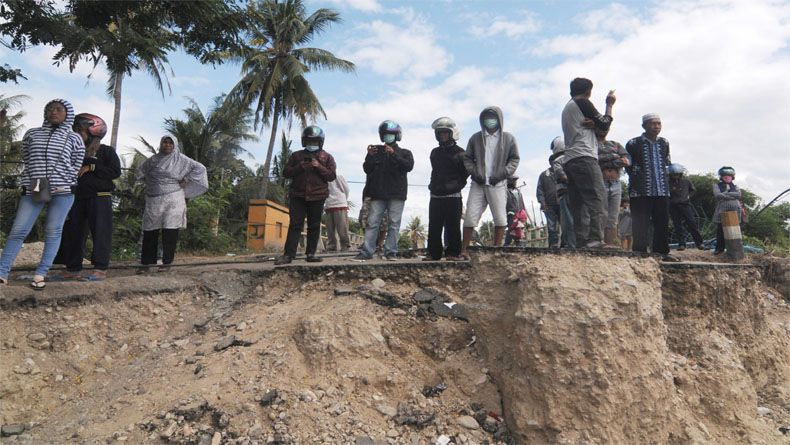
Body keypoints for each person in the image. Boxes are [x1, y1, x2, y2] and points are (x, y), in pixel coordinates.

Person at [0, 99, 85, 289]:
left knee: (53, 231)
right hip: (35, 188)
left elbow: (76, 164)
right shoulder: (32, 134)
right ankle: (2, 272)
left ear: (67, 114)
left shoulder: (74, 138)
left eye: (58, 109)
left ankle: (41, 274)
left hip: (63, 191)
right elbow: (27, 159)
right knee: (19, 230)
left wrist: (62, 180)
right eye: (49, 109)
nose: (53, 112)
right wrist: (30, 181)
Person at [54, 113, 121, 281]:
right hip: (76, 196)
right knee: (73, 232)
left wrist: (92, 166)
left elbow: (114, 172)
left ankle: (100, 268)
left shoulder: (106, 151)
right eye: (75, 130)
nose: (77, 134)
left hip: (100, 196)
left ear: (93, 132)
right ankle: (73, 268)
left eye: (80, 131)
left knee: (100, 232)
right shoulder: (74, 151)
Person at [136, 135, 208, 273]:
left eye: (170, 143)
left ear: (174, 145)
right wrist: (150, 182)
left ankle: (166, 262)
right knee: (150, 231)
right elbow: (140, 172)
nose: (167, 145)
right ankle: (146, 264)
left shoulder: (181, 160)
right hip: (153, 199)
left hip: (173, 198)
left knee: (170, 229)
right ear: (160, 144)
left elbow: (200, 169)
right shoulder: (152, 161)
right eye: (164, 142)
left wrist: (186, 179)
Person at [560, 77, 615, 248]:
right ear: (588, 91)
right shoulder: (582, 102)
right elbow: (605, 124)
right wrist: (609, 105)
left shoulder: (568, 108)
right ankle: (595, 240)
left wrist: (594, 126)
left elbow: (598, 131)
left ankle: (582, 241)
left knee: (579, 205)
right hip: (585, 157)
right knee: (597, 199)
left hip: (570, 159)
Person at [461, 106, 519, 256]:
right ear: (482, 119)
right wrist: (474, 172)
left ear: (499, 119)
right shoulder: (475, 138)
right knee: (470, 218)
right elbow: (467, 158)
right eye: (486, 117)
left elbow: (514, 159)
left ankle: (496, 250)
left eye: (492, 117)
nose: (489, 120)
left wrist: (502, 174)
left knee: (500, 218)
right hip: (478, 183)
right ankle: (465, 250)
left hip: (497, 183)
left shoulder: (508, 138)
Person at [275, 126, 337, 264]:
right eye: (310, 141)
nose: (312, 144)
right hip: (298, 195)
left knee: (314, 225)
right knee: (295, 224)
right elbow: (286, 172)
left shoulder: (327, 157)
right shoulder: (296, 156)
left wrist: (318, 166)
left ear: (320, 142)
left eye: (315, 142)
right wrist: (300, 167)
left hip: (318, 196)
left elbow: (332, 176)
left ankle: (311, 254)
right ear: (304, 141)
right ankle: (288, 255)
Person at [354, 120, 414, 261]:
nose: (388, 137)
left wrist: (393, 154)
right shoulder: (376, 151)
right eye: (386, 134)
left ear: (397, 135)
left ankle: (390, 252)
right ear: (381, 136)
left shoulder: (405, 152)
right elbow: (367, 169)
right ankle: (367, 251)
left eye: (391, 134)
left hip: (396, 194)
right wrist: (369, 155)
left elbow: (408, 166)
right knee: (372, 223)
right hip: (377, 194)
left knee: (394, 224)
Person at [625, 114, 672, 257]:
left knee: (662, 223)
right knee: (640, 223)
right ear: (644, 126)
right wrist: (639, 177)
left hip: (662, 190)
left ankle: (661, 252)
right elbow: (628, 165)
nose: (657, 126)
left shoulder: (664, 143)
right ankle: (640, 253)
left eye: (659, 123)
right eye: (653, 123)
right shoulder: (633, 143)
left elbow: (667, 163)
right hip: (640, 191)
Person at [425, 117, 469, 261]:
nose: (443, 136)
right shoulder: (434, 152)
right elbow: (435, 171)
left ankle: (453, 253)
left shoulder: (461, 153)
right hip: (436, 195)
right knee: (434, 226)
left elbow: (465, 174)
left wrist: (455, 186)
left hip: (454, 196)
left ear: (451, 134)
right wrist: (433, 187)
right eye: (440, 133)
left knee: (453, 227)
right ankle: (433, 253)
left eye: (445, 133)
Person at [596, 127, 630, 245]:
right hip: (601, 182)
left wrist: (606, 161)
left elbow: (627, 160)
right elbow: (594, 160)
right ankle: (600, 243)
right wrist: (615, 158)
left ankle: (610, 244)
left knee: (613, 216)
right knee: (601, 214)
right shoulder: (592, 145)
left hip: (616, 183)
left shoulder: (615, 144)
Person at [668, 163, 704, 250]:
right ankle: (682, 244)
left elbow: (693, 190)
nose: (675, 176)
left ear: (680, 174)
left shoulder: (686, 182)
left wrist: (688, 196)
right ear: (670, 174)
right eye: (673, 174)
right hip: (673, 206)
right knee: (677, 225)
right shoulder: (667, 183)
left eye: (677, 174)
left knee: (692, 223)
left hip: (685, 204)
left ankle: (699, 243)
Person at [550, 136, 575, 248]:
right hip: (577, 192)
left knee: (568, 220)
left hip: (565, 192)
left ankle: (571, 245)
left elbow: (561, 175)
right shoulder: (574, 157)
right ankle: (573, 243)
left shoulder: (557, 161)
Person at [712, 166, 742, 255]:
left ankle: (733, 250)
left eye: (729, 176)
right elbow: (717, 195)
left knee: (734, 231)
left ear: (732, 177)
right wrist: (731, 194)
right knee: (721, 230)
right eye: (724, 176)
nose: (727, 177)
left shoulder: (735, 186)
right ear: (721, 177)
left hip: (735, 210)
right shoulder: (716, 185)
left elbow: (739, 195)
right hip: (722, 210)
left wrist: (725, 194)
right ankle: (719, 249)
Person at [537, 154, 560, 248]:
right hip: (549, 205)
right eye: (554, 162)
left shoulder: (563, 172)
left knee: (566, 225)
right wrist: (542, 202)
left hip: (562, 203)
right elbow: (540, 190)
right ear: (550, 163)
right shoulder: (543, 175)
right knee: (551, 226)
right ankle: (553, 245)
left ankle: (566, 244)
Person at [324, 173, 350, 252]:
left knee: (342, 228)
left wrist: (343, 199)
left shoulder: (338, 176)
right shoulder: (323, 177)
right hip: (328, 204)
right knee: (330, 229)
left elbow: (346, 189)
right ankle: (331, 246)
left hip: (339, 203)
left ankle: (345, 245)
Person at [504, 176, 526, 246]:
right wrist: (507, 212)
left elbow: (522, 202)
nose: (515, 182)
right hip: (511, 213)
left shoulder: (518, 191)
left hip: (519, 214)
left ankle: (518, 243)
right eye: (514, 181)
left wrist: (523, 212)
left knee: (518, 228)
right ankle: (507, 244)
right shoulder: (506, 191)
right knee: (511, 228)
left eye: (515, 181)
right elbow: (504, 203)